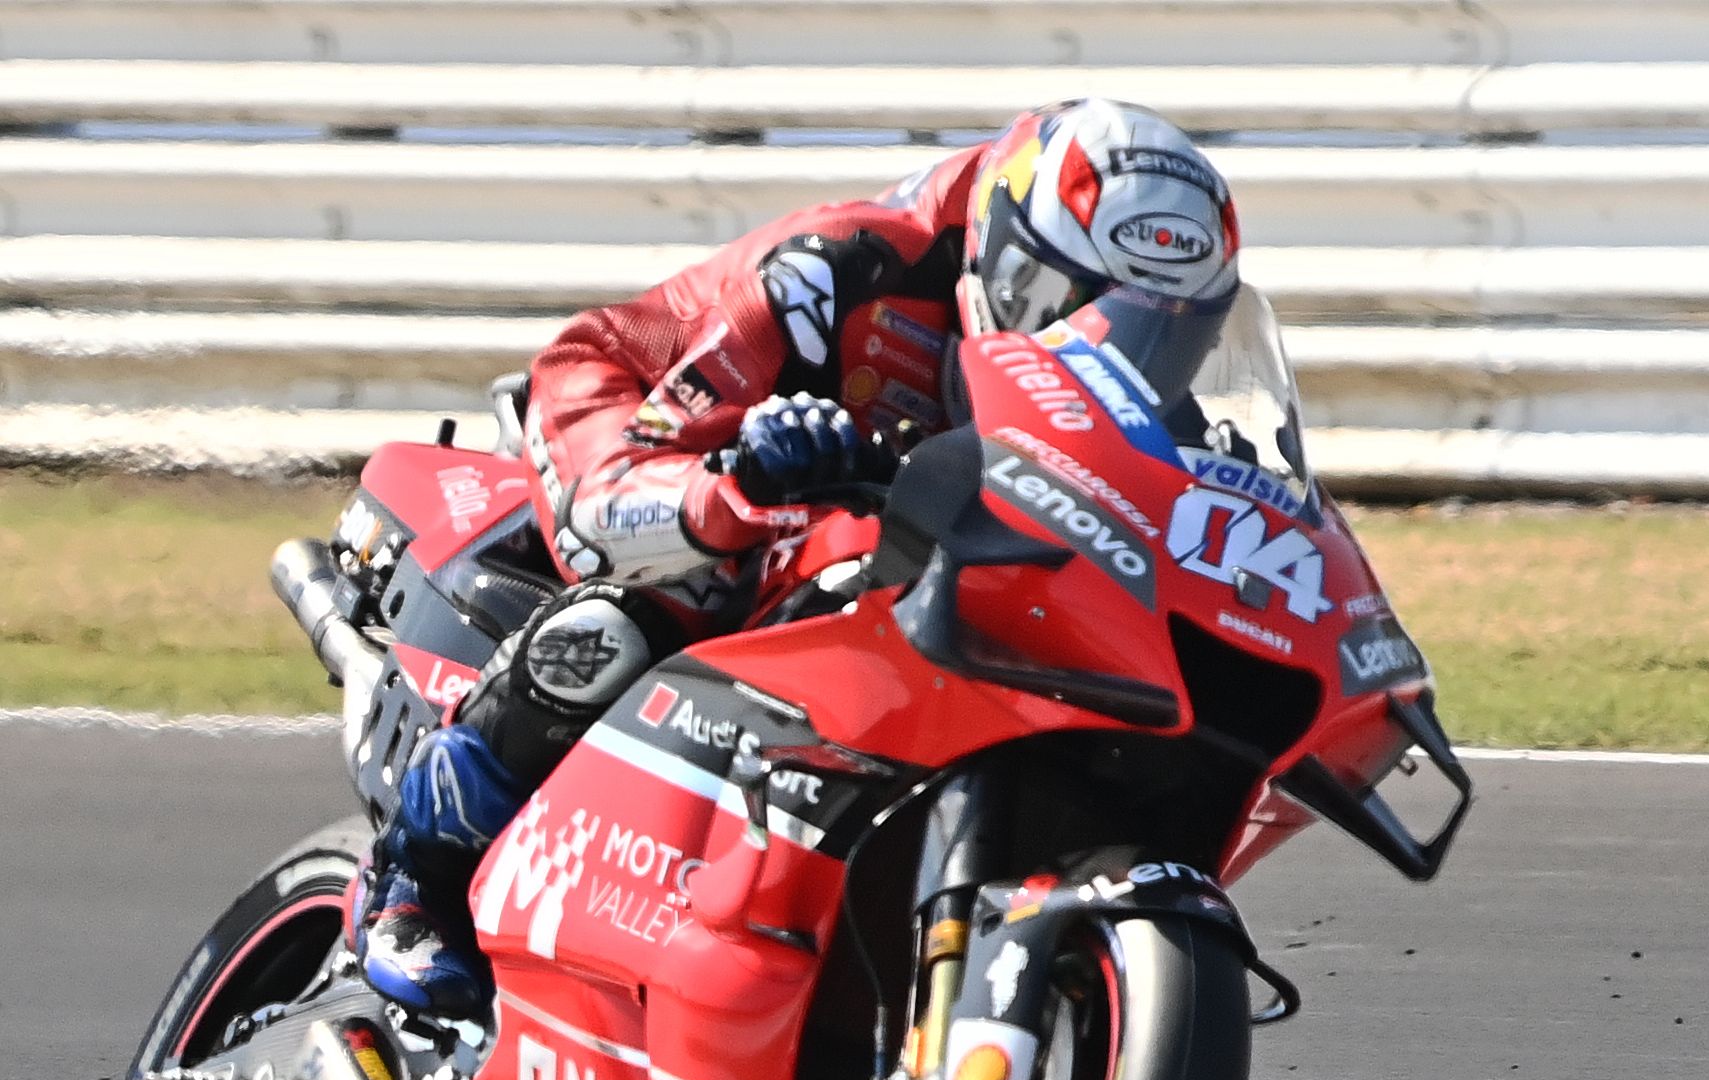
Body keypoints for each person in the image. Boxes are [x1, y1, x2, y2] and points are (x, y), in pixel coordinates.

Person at [353, 98, 1244, 1015]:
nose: (1118, 354)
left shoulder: (1137, 410)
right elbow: (667, 435)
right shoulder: (836, 272)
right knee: (683, 578)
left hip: (867, 504)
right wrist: (742, 470)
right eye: (1086, 313)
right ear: (1009, 265)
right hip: (641, 411)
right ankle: (414, 876)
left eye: (1167, 335)